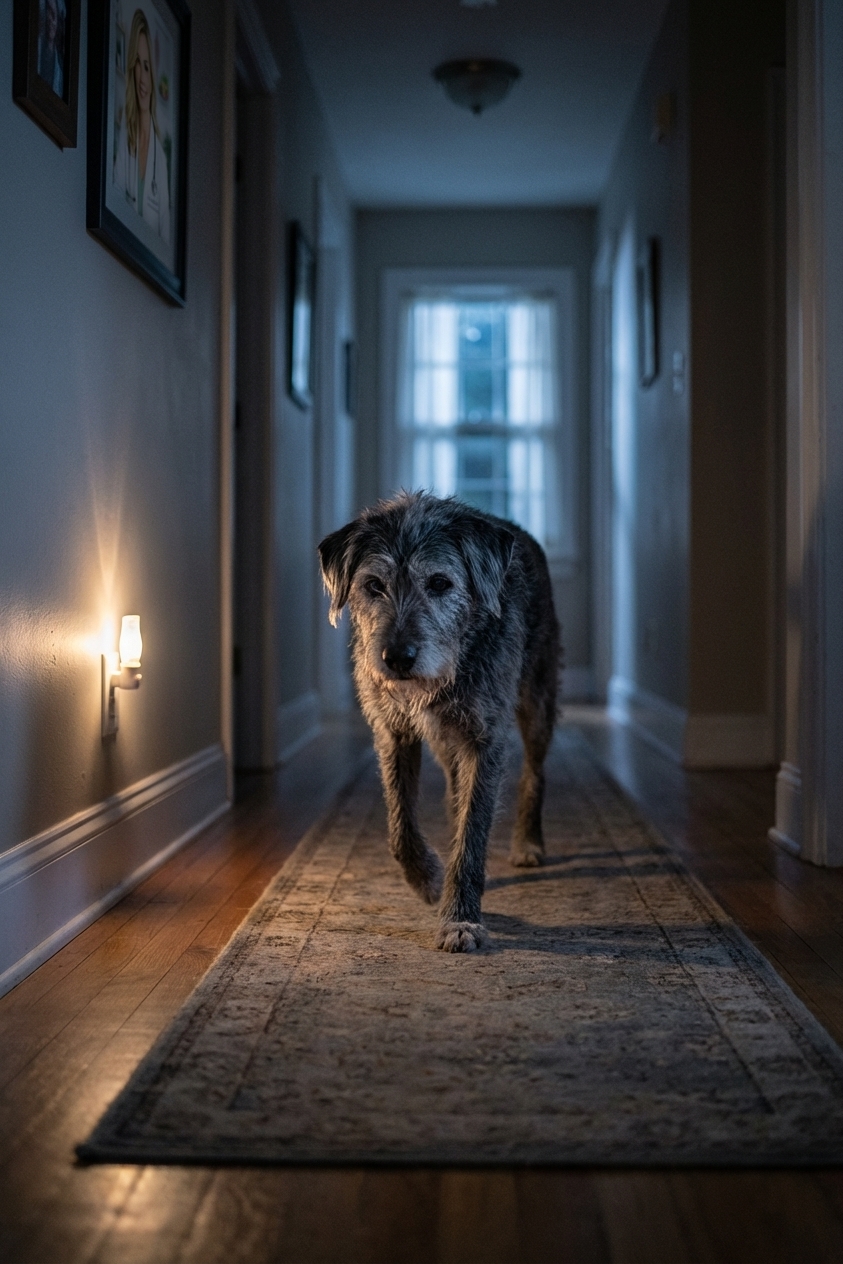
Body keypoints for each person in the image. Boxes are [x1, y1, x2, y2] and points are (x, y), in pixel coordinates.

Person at [113, 9, 170, 245]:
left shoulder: (161, 162)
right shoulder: (125, 138)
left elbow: (164, 236)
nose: (143, 78)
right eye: (137, 64)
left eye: (147, 66)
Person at [37, 0, 64, 97]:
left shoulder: (59, 70)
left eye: (53, 14)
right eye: (47, 12)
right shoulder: (36, 53)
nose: (50, 20)